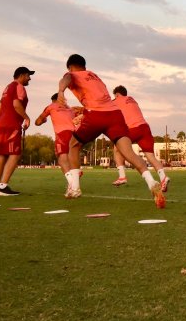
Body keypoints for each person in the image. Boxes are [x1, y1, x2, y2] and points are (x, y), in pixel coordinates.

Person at [57, 54, 165, 207]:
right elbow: (100, 99)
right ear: (85, 66)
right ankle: (151, 181)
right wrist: (83, 110)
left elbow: (67, 79)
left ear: (70, 67)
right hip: (115, 116)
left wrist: (61, 91)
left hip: (96, 115)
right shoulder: (95, 77)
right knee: (129, 153)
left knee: (73, 145)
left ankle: (74, 188)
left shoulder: (72, 74)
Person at [110, 85, 170, 192]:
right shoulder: (133, 100)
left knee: (117, 147)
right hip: (145, 128)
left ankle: (122, 176)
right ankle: (163, 177)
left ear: (117, 94)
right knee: (151, 157)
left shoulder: (116, 100)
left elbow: (105, 108)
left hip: (133, 128)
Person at [0, 67, 33, 196]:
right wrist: (26, 118)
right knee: (15, 154)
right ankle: (3, 186)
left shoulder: (7, 87)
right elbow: (16, 104)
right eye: (28, 76)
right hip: (11, 125)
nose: (29, 78)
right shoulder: (19, 86)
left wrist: (2, 120)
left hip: (0, 124)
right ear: (21, 75)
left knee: (2, 155)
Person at [35, 92, 77, 191]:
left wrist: (43, 120)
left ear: (54, 100)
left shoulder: (51, 106)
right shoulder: (70, 109)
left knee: (62, 160)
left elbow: (37, 122)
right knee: (71, 159)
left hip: (62, 134)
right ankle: (73, 179)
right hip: (74, 134)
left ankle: (73, 184)